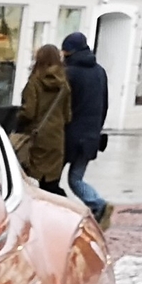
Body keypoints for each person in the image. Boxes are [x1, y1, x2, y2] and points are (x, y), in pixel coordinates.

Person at [60, 31, 111, 226]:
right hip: (90, 136)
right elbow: (104, 104)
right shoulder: (100, 71)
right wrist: (97, 128)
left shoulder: (69, 73)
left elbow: (64, 106)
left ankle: (96, 204)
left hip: (69, 135)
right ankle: (96, 204)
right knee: (76, 177)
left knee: (52, 178)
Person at [14, 44, 70, 193]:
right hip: (56, 138)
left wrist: (17, 117)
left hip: (36, 137)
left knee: (32, 180)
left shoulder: (34, 83)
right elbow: (67, 115)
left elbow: (29, 112)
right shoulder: (64, 85)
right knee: (51, 181)